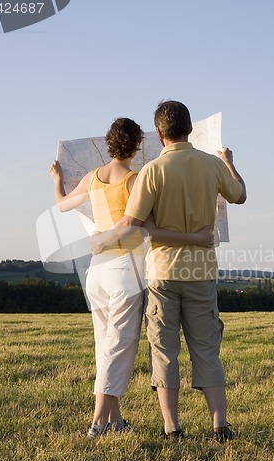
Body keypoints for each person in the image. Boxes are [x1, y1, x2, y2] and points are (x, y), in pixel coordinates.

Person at [49, 117, 214, 439]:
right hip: (127, 269)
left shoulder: (93, 177)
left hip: (96, 270)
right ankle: (98, 423)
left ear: (108, 143)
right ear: (137, 145)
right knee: (120, 346)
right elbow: (148, 229)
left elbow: (62, 206)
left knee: (105, 345)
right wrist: (195, 237)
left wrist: (56, 179)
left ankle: (115, 420)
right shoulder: (138, 179)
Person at [92, 102, 246, 442]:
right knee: (207, 348)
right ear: (190, 129)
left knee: (163, 350)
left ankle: (172, 428)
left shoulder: (151, 171)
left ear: (159, 135)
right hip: (201, 272)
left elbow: (133, 223)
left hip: (162, 272)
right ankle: (219, 425)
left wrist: (103, 238)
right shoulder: (212, 165)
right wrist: (229, 164)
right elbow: (240, 196)